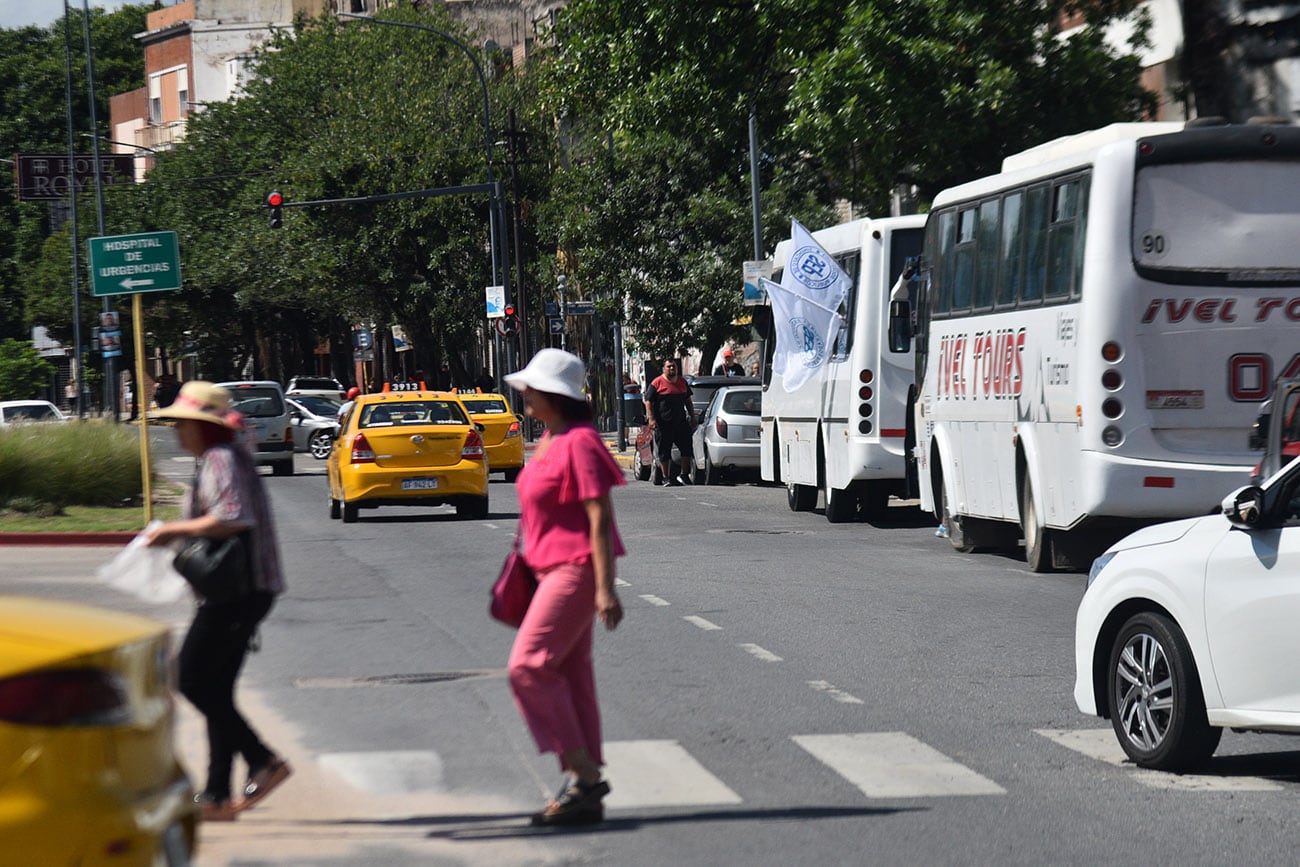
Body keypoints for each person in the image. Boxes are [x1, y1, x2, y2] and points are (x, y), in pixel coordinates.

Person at [145, 381, 291, 822]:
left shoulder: (221, 458)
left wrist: (173, 531)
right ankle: (215, 795)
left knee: (191, 680)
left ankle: (263, 759)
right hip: (237, 590)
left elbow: (233, 517)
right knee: (217, 690)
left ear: (201, 427)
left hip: (238, 592)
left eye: (183, 424)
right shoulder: (217, 457)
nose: (176, 431)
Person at [502, 348, 625, 827]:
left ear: (550, 394)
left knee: (528, 667)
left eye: (530, 386)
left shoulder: (580, 442)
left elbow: (599, 515)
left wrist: (606, 589)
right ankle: (583, 789)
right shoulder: (550, 439)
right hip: (548, 571)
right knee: (570, 678)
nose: (524, 393)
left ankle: (587, 776)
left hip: (576, 570)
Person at [644, 359, 695, 486]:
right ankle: (666, 477)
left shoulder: (682, 382)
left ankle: (684, 475)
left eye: (674, 367)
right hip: (663, 423)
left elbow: (688, 401)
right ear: (663, 369)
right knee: (664, 450)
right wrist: (651, 418)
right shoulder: (657, 383)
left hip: (680, 422)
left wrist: (692, 416)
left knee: (687, 448)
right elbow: (648, 401)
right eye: (669, 367)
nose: (672, 369)